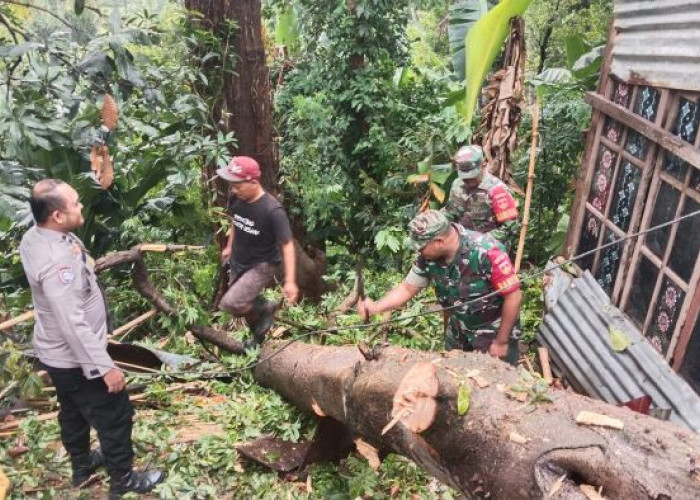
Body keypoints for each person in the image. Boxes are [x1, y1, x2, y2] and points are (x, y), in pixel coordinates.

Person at [19, 179, 164, 498]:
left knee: (71, 411)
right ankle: (123, 481)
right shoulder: (59, 264)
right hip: (76, 358)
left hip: (54, 353)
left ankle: (82, 468)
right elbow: (71, 321)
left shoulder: (35, 237)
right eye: (75, 203)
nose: (81, 205)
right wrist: (103, 367)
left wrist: (75, 252)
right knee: (116, 415)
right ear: (57, 216)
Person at [357, 210, 522, 363]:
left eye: (421, 247)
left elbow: (513, 296)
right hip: (459, 331)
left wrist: (501, 342)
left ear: (439, 242)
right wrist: (376, 307)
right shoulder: (428, 258)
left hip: (493, 332)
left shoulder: (486, 251)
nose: (419, 252)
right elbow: (407, 288)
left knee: (495, 387)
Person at [217, 156, 299, 348]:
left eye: (238, 185)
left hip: (262, 264)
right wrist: (229, 246)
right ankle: (257, 340)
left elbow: (287, 245)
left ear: (253, 182)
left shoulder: (272, 211)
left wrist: (290, 281)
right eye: (232, 185)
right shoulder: (236, 197)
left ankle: (265, 307)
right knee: (240, 306)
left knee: (231, 303)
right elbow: (235, 221)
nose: (234, 190)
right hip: (239, 259)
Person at [442, 145, 519, 252]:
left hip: (491, 246)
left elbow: (510, 227)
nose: (468, 180)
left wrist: (479, 241)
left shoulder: (497, 190)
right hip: (462, 245)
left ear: (483, 166)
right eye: (464, 177)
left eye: (472, 176)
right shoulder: (457, 185)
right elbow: (449, 213)